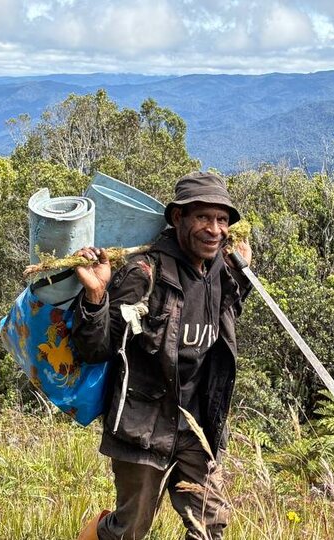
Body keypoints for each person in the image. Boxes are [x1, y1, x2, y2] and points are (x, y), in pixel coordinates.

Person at [72, 171, 252, 540]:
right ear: (177, 218)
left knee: (210, 526)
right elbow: (97, 349)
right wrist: (95, 297)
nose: (214, 229)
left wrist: (241, 278)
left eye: (221, 220)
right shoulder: (144, 273)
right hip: (144, 423)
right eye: (203, 217)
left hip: (196, 424)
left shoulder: (220, 272)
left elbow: (218, 322)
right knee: (130, 530)